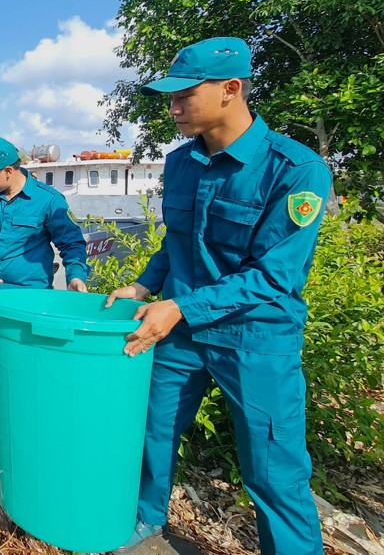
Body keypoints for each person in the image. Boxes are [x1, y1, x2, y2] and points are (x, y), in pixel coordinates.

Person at [105, 37, 330, 554]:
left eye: (185, 95)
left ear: (231, 89)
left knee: (275, 470)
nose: (174, 108)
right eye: (170, 97)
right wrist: (143, 283)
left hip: (255, 337)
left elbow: (276, 276)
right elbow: (176, 241)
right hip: (180, 333)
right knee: (151, 432)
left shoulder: (295, 171)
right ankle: (143, 521)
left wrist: (180, 305)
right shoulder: (182, 163)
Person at [0, 137, 88, 410]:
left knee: (26, 354)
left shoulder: (48, 201)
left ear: (8, 171)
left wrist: (76, 275)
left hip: (31, 296)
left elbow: (71, 242)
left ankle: (26, 404)